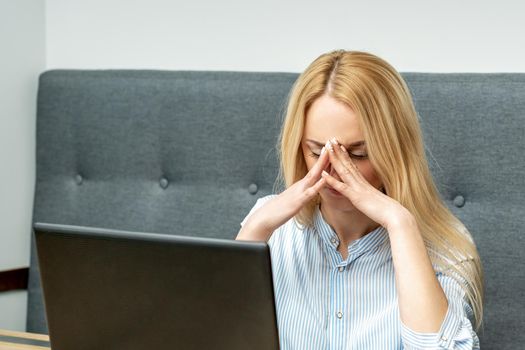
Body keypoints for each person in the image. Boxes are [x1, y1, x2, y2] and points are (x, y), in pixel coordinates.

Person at [236, 50, 483, 349]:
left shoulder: (445, 246)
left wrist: (400, 223)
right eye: (316, 151)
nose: (335, 170)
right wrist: (254, 232)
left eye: (357, 155)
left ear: (394, 152)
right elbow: (212, 336)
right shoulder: (269, 226)